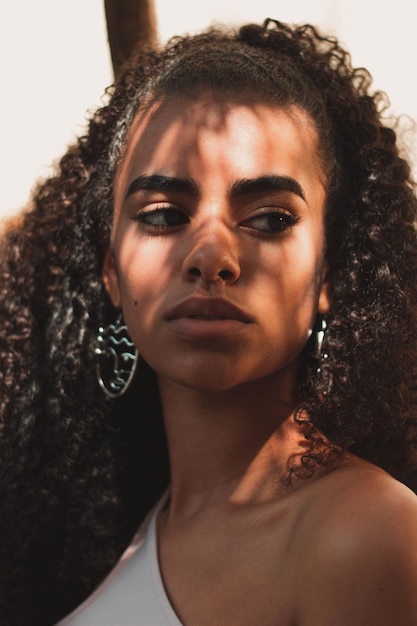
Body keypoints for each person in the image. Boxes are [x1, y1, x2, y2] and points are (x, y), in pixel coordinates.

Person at [1, 16, 417, 626]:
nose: (211, 257)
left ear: (330, 272)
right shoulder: (110, 534)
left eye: (270, 219)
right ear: (110, 271)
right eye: (164, 215)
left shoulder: (363, 534)